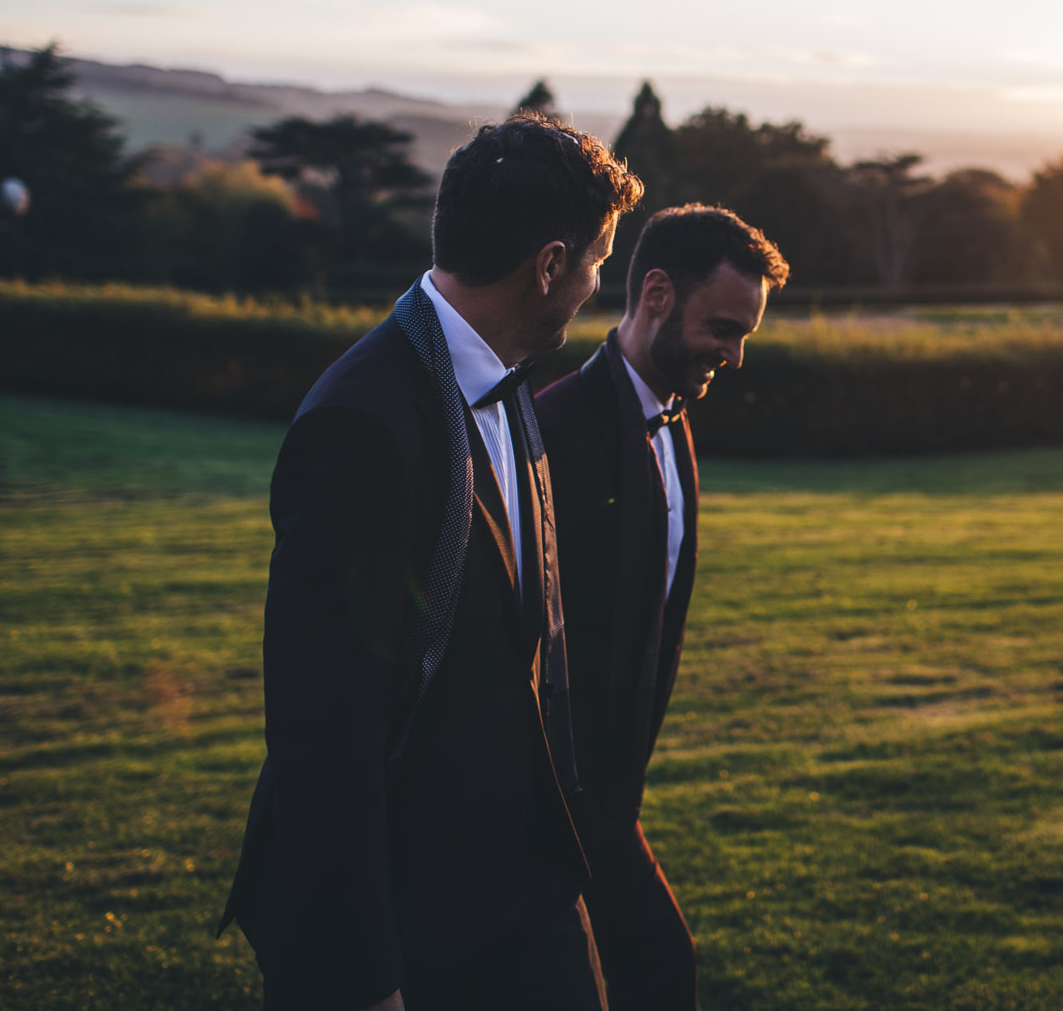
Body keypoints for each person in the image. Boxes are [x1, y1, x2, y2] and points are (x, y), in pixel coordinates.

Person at [219, 114, 643, 1011]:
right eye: (599, 262)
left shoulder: (506, 375)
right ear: (548, 264)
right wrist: (360, 978)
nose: (597, 285)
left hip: (522, 881)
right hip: (414, 909)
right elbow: (322, 732)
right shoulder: (363, 425)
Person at [535, 206, 789, 1010]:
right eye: (723, 327)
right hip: (545, 808)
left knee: (654, 975)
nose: (735, 355)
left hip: (613, 799)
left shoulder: (674, 427)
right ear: (653, 293)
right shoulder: (552, 431)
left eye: (744, 335)